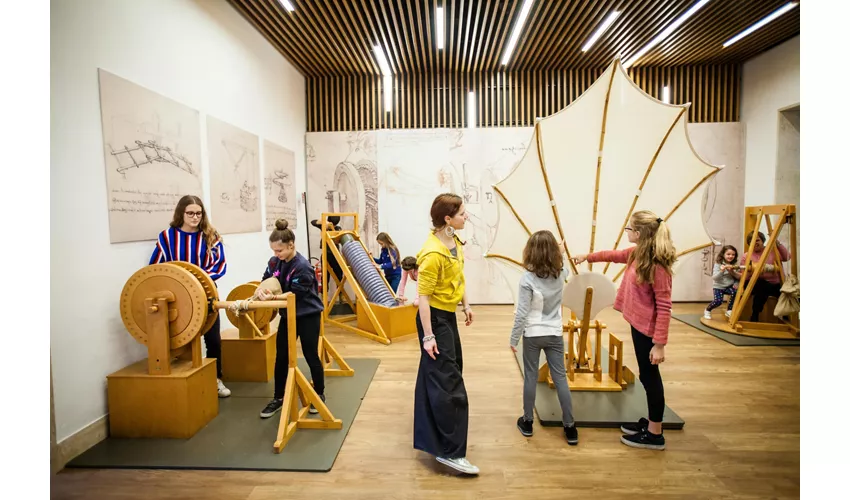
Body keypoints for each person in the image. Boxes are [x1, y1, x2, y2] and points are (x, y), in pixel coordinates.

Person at [572, 210, 675, 451]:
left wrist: (659, 344)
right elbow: (614, 255)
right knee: (646, 375)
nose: (626, 232)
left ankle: (655, 434)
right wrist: (586, 256)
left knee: (650, 378)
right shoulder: (638, 254)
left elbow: (665, 307)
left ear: (638, 234)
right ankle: (651, 423)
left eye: (628, 229)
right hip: (639, 325)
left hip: (649, 331)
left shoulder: (657, 266)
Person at [413, 193, 478, 475]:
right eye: (463, 213)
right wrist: (429, 336)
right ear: (447, 219)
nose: (467, 216)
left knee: (442, 374)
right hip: (435, 320)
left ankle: (434, 440)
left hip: (447, 315)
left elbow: (458, 277)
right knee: (449, 383)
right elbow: (423, 298)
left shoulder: (454, 242)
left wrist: (465, 304)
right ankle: (451, 453)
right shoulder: (431, 254)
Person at [149, 195, 230, 398]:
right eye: (190, 213)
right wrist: (179, 284)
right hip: (178, 297)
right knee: (181, 338)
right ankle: (186, 382)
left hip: (208, 294)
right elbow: (157, 266)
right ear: (181, 214)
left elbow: (219, 265)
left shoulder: (211, 235)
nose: (195, 217)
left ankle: (216, 379)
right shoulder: (167, 237)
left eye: (199, 213)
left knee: (213, 339)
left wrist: (197, 282)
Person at [510, 230, 578, 445]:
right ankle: (570, 427)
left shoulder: (527, 279)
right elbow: (563, 266)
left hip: (532, 334)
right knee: (560, 379)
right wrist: (561, 252)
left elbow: (521, 313)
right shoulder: (562, 274)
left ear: (530, 252)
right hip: (554, 334)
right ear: (554, 253)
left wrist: (513, 339)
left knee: (530, 377)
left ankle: (528, 422)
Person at [256, 219, 326, 418]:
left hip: (307, 315)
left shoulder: (303, 267)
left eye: (279, 251)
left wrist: (273, 296)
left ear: (291, 246)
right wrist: (263, 291)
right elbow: (266, 280)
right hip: (288, 314)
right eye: (273, 250)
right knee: (282, 357)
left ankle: (319, 393)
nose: (276, 254)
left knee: (311, 354)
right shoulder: (274, 262)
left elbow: (296, 295)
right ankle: (279, 397)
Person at [741, 231, 790, 322]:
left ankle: (786, 316)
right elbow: (745, 277)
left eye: (757, 240)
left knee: (787, 291)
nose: (755, 243)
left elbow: (787, 257)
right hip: (757, 283)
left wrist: (777, 243)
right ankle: (755, 315)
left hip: (775, 283)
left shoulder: (772, 251)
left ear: (762, 241)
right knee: (761, 285)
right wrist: (751, 270)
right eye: (752, 241)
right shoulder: (746, 256)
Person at [704, 245, 741, 320]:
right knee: (718, 301)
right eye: (728, 254)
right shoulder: (718, 264)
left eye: (733, 254)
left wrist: (736, 283)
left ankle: (729, 310)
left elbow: (738, 278)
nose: (731, 256)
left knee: (736, 292)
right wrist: (721, 271)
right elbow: (715, 278)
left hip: (729, 286)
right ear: (723, 254)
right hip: (718, 286)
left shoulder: (735, 265)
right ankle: (707, 310)